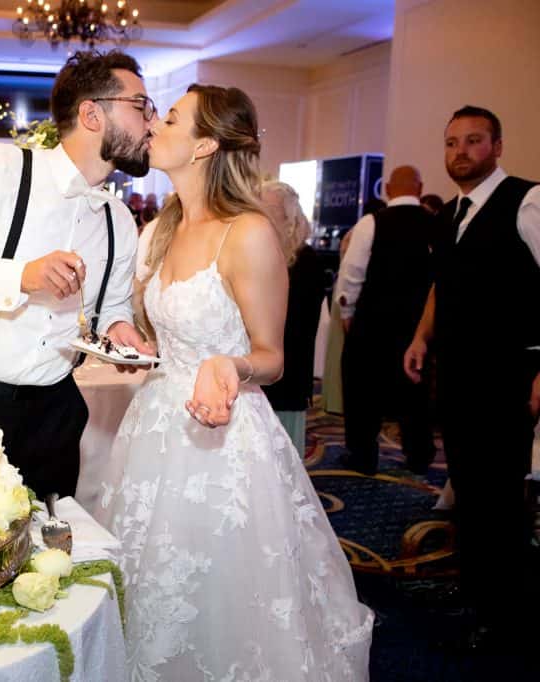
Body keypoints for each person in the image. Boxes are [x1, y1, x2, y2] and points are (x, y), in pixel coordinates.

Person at [100, 84, 372, 680]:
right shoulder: (161, 230)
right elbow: (161, 335)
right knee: (152, 582)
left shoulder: (246, 232)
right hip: (155, 428)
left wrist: (232, 365)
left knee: (224, 591)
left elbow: (271, 357)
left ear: (205, 145)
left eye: (169, 119)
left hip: (224, 440)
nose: (152, 126)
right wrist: (137, 346)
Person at [0, 50, 154, 500]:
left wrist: (120, 329)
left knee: (49, 556)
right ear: (92, 114)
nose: (152, 123)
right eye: (141, 106)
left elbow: (111, 304)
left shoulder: (119, 220)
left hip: (59, 411)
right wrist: (19, 276)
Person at [404, 105, 540, 651]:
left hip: (508, 376)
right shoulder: (449, 215)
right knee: (469, 487)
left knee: (501, 499)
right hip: (457, 375)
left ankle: (506, 614)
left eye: (474, 141)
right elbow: (444, 285)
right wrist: (420, 336)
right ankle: (476, 593)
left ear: (497, 146)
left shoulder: (527, 201)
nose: (460, 152)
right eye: (452, 143)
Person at [336, 166, 436, 476]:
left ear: (388, 189)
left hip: (373, 321)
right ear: (419, 189)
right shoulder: (435, 223)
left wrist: (347, 312)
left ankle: (363, 455)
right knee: (416, 393)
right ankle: (419, 454)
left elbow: (352, 273)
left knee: (362, 390)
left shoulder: (371, 223)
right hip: (418, 324)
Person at [261, 181, 327, 453]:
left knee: (283, 452)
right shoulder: (268, 251)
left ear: (289, 216)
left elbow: (297, 324)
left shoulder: (305, 259)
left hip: (287, 369)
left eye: (267, 206)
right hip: (265, 366)